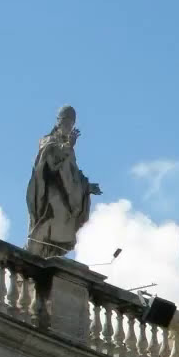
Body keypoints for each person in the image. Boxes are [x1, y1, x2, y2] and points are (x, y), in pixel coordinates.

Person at [25, 105, 102, 258]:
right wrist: (68, 146)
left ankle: (51, 256)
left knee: (62, 226)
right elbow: (51, 161)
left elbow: (73, 173)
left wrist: (87, 186)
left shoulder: (69, 149)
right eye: (66, 123)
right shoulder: (48, 140)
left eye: (71, 124)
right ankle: (34, 252)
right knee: (50, 220)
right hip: (51, 192)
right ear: (59, 122)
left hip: (67, 194)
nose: (69, 127)